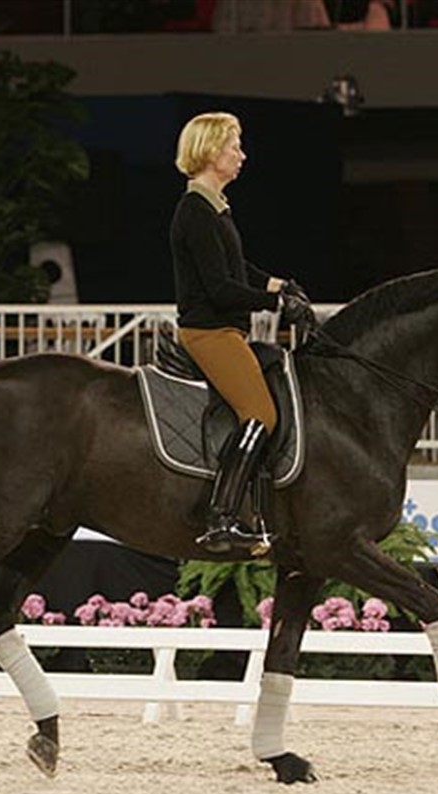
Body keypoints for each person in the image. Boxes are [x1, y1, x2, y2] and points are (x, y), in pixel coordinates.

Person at [170, 111, 312, 554]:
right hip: (208, 332)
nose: (242, 155)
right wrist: (276, 305)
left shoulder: (215, 207)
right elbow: (219, 288)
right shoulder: (196, 211)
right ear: (212, 151)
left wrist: (277, 285)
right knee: (261, 414)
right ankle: (221, 519)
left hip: (225, 330)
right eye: (234, 147)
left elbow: (238, 269)